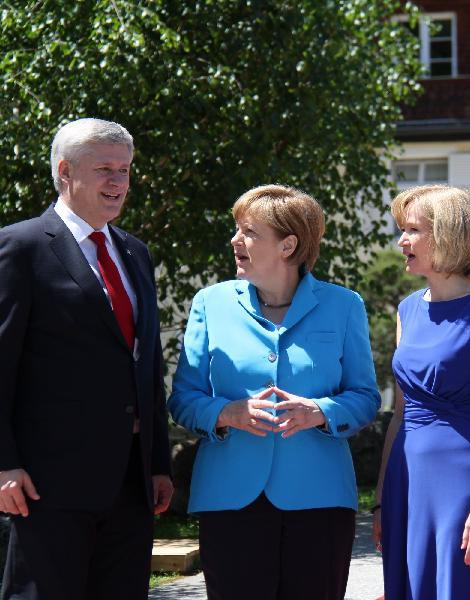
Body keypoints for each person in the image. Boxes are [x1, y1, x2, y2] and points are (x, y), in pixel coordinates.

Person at [0, 118, 173, 600]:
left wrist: (157, 462)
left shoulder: (134, 252)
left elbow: (145, 365)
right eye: (105, 169)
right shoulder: (20, 247)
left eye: (125, 170)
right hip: (47, 483)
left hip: (130, 483)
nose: (118, 183)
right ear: (65, 171)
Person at [168, 184, 380, 600]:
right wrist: (226, 414)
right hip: (229, 498)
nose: (235, 241)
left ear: (288, 245)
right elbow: (183, 398)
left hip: (320, 498)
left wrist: (319, 410)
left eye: (248, 232)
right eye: (236, 229)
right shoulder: (210, 303)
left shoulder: (344, 305)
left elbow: (365, 396)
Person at [374, 185, 470, 600]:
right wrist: (381, 498)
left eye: (411, 230)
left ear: (448, 234)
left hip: (466, 483)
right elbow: (401, 411)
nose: (401, 241)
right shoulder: (407, 308)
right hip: (407, 482)